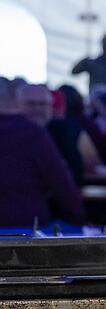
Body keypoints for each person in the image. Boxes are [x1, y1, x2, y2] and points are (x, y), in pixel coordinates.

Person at [0, 78, 85, 227]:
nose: (38, 109)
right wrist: (79, 220)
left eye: (43, 104)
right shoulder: (32, 134)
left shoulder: (68, 131)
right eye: (31, 104)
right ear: (17, 103)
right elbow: (62, 183)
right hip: (26, 227)